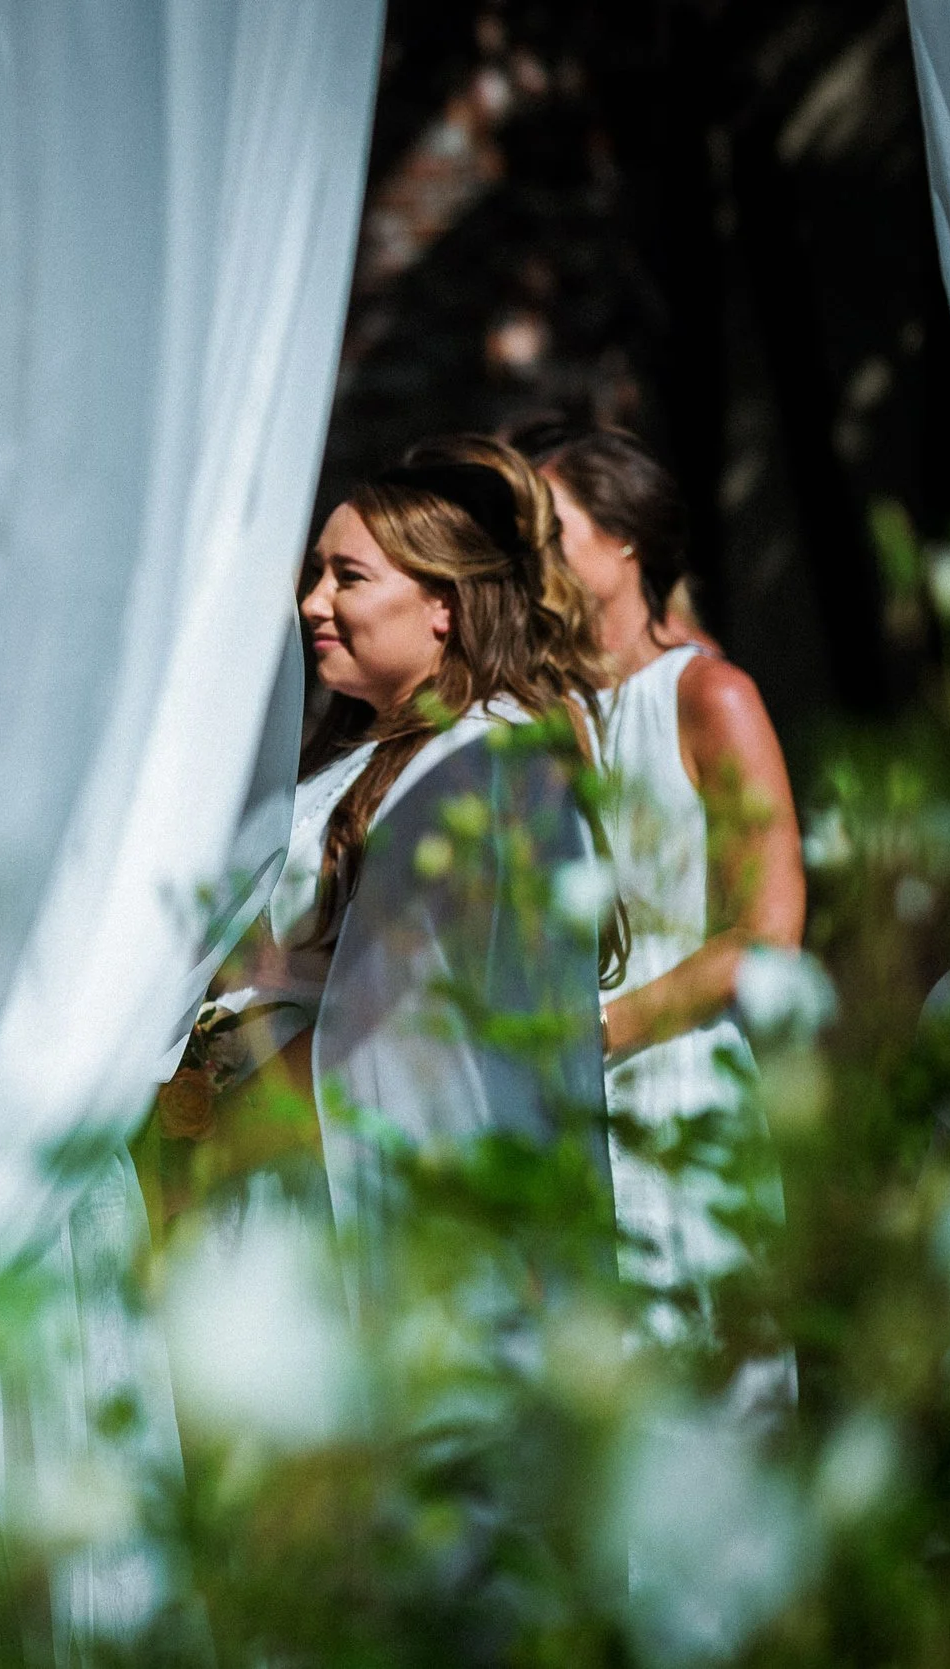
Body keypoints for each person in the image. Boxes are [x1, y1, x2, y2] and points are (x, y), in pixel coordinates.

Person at [168, 436, 615, 1272]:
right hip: (288, 1162)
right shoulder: (364, 755)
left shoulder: (479, 762)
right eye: (315, 574)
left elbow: (398, 1012)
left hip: (339, 1174)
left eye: (349, 577)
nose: (312, 603)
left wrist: (227, 1129)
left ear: (443, 603)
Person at [529, 427, 804, 1377]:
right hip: (556, 1100)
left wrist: (602, 1029)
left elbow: (768, 934)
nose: (531, 550)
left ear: (624, 541)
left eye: (551, 525)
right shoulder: (532, 712)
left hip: (680, 1074)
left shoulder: (710, 694)